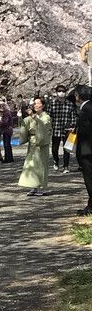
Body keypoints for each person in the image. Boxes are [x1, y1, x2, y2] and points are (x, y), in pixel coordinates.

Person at [18, 96, 52, 196]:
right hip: (32, 142)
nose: (35, 105)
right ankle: (34, 186)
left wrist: (33, 115)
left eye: (38, 103)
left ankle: (42, 187)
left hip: (41, 143)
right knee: (31, 165)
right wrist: (21, 117)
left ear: (43, 105)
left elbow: (43, 124)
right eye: (35, 103)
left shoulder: (46, 116)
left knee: (41, 165)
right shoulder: (31, 117)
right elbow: (25, 124)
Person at [47, 85, 77, 174]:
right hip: (55, 129)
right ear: (56, 92)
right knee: (54, 149)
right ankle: (56, 161)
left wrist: (73, 126)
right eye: (59, 91)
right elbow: (48, 117)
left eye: (63, 91)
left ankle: (66, 166)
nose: (61, 93)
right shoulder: (51, 103)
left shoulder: (69, 104)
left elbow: (73, 117)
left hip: (67, 130)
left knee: (66, 149)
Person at [73, 84, 92, 216]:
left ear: (78, 96)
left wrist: (76, 131)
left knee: (89, 179)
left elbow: (86, 129)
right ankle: (90, 206)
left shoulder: (86, 109)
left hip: (87, 149)